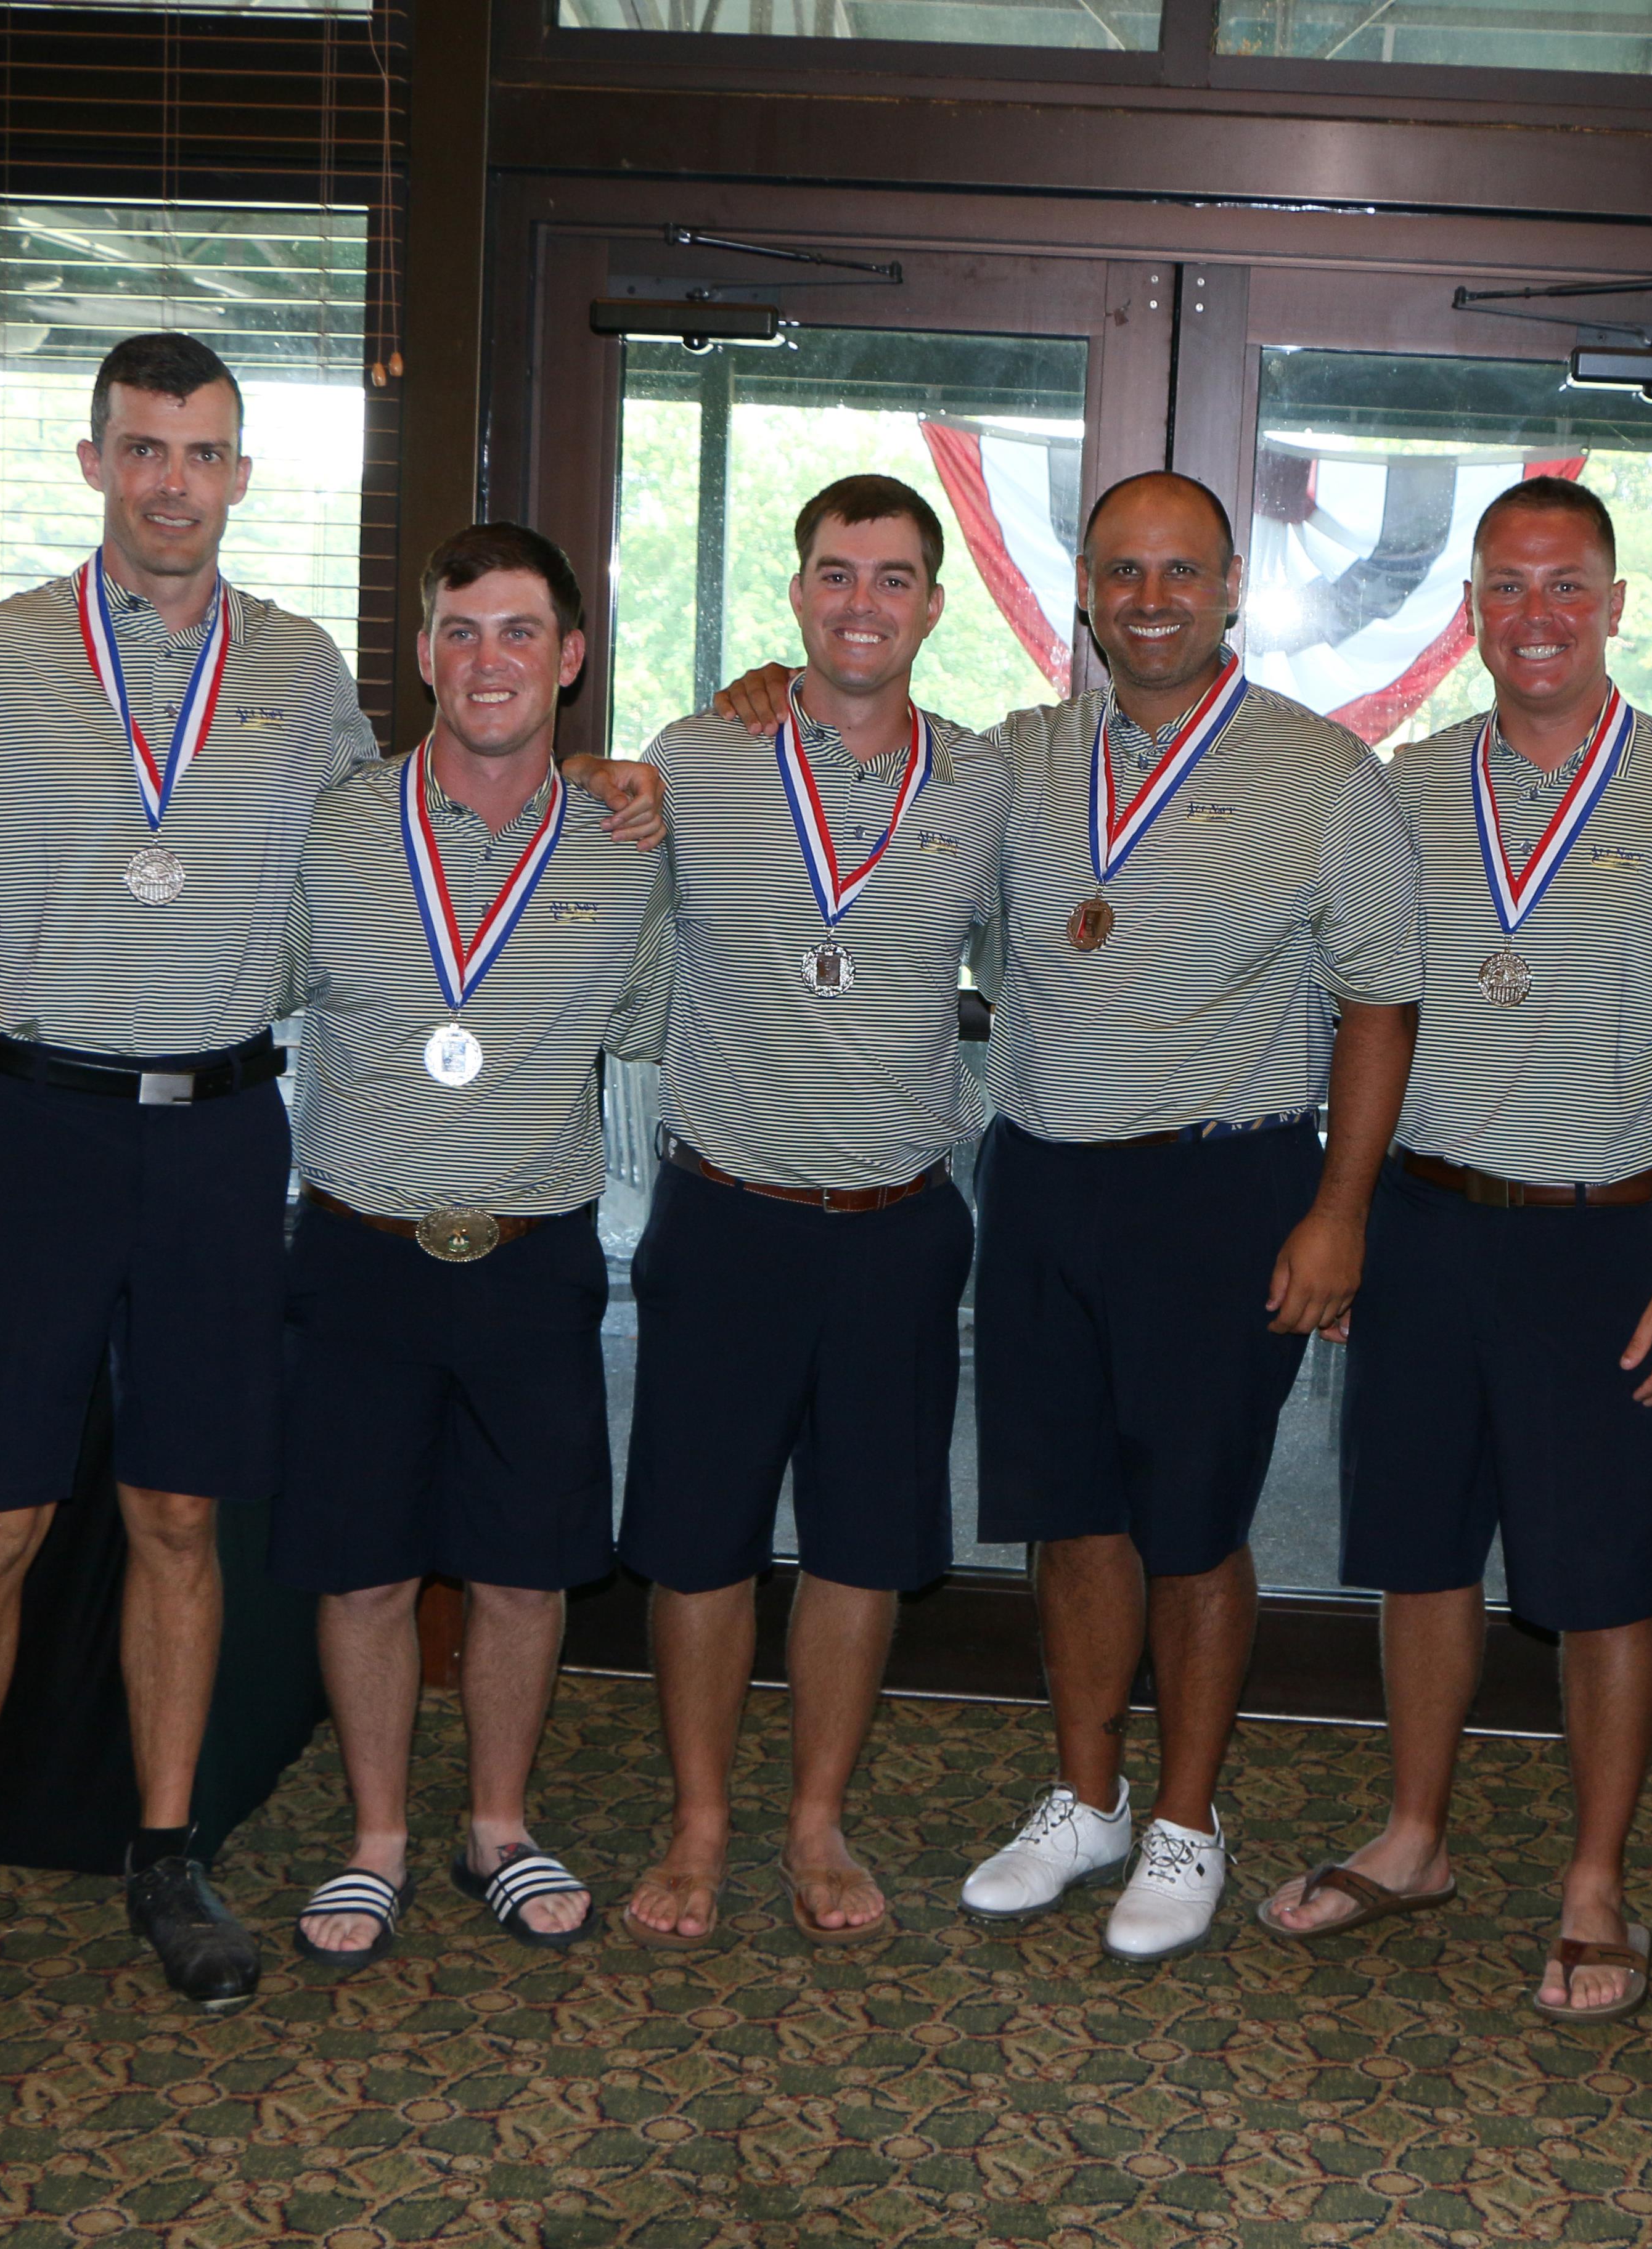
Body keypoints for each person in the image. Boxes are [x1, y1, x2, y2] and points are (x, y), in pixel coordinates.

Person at [0, 337, 661, 2057]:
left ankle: (166, 1855)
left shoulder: (297, 671)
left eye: (202, 453)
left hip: (224, 1139)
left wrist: (605, 781)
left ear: (238, 475)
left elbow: (419, 821)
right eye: (141, 450)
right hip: (37, 1127)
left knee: (182, 1521)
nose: (169, 483)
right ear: (93, 466)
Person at [723, 468, 1421, 1962]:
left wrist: (1340, 1208)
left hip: (1225, 1185)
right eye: (1121, 571)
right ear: (1084, 592)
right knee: (1070, 1514)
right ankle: (1087, 1797)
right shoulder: (1017, 763)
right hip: (1041, 1176)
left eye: (1181, 570)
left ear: (1233, 588)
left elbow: (1379, 1002)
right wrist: (762, 694)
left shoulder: (1323, 773)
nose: (1150, 598)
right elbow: (870, 767)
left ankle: (1186, 1822)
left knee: (1196, 1527)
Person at [1251, 476, 1652, 2023]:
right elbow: (1372, 1007)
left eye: (1565, 587)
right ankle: (1416, 1837)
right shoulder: (1403, 789)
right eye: (1504, 588)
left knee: (1604, 1585)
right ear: (1468, 608)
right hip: (1424, 1225)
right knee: (1420, 1556)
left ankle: (1594, 1882)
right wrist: (1343, 1210)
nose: (1533, 616)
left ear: (1616, 605)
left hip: (1610, 1242)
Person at [607, 474, 1008, 1952]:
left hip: (900, 1223)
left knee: (860, 1543)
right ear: (796, 595)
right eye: (836, 575)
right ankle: (702, 1824)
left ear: (934, 606)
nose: (862, 605)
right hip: (729, 1216)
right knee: (701, 1543)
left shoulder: (985, 784)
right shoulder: (696, 758)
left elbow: (1053, 957)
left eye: (894, 579)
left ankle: (815, 1822)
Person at [277, 525, 665, 1971]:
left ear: (568, 660)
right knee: (365, 1566)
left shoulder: (636, 844)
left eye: (519, 633)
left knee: (521, 1569)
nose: (487, 659)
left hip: (530, 1253)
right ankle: (376, 1839)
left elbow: (662, 1017)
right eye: (460, 631)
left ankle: (496, 1825)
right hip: (360, 1250)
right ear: (425, 653)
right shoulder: (330, 826)